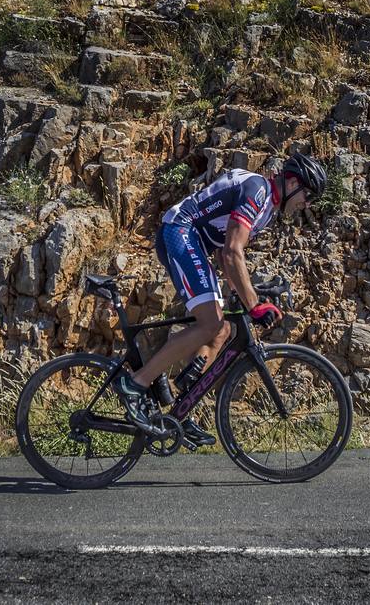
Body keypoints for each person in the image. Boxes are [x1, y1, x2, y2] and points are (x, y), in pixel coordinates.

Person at [113, 152, 328, 442]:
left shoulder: (266, 208)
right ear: (292, 183)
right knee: (211, 323)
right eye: (309, 195)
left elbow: (224, 253)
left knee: (221, 330)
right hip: (180, 231)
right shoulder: (258, 191)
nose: (308, 203)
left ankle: (178, 412)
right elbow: (231, 252)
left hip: (196, 242)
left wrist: (249, 290)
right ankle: (135, 383)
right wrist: (253, 304)